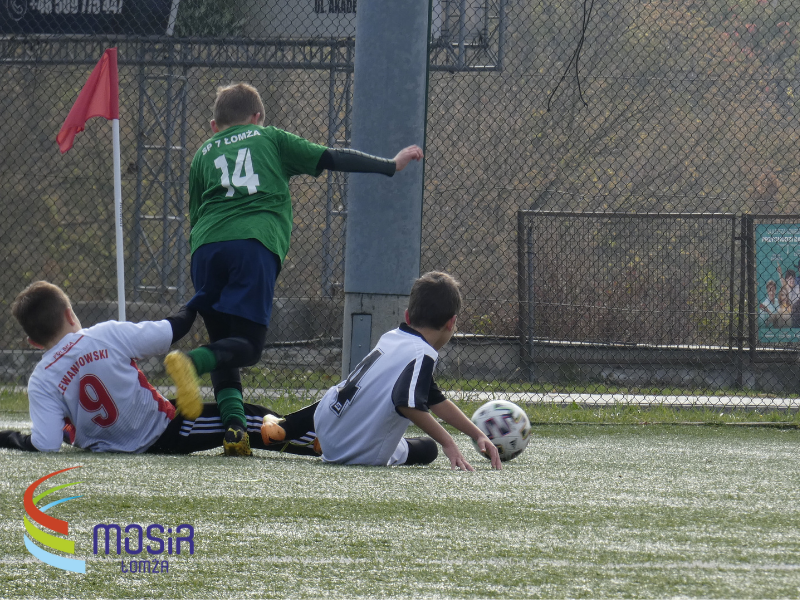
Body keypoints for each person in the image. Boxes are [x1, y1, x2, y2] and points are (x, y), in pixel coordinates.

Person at [165, 82, 424, 457]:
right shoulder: (270, 138)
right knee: (248, 347)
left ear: (213, 124)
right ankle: (190, 362)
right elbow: (332, 157)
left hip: (205, 249)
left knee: (224, 344)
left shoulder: (203, 152)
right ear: (257, 117)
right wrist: (390, 165)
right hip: (253, 243)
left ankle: (235, 431)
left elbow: (195, 212)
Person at [0, 281, 318, 455]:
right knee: (250, 418)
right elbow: (172, 331)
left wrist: (7, 437)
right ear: (71, 314)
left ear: (33, 342)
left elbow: (45, 444)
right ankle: (320, 440)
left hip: (106, 446)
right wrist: (200, 299)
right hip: (161, 433)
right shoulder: (104, 334)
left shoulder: (41, 379)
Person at [305, 272, 502, 471]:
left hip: (328, 423)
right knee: (430, 445)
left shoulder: (392, 337)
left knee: (427, 449)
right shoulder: (423, 353)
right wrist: (448, 442)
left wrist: (478, 434)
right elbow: (407, 404)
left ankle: (307, 436)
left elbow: (434, 399)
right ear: (451, 322)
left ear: (407, 316)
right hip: (356, 449)